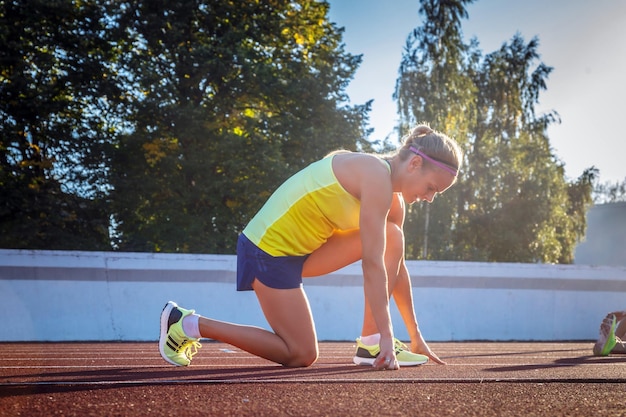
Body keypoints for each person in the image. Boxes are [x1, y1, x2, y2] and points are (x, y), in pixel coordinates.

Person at [159, 124, 462, 370]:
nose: (431, 197)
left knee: (393, 237)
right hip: (267, 251)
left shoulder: (394, 201)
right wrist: (388, 334)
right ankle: (186, 324)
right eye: (432, 188)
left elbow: (394, 266)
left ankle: (369, 345)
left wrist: (415, 336)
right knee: (300, 354)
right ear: (415, 163)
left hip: (305, 252)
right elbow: (372, 264)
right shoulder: (374, 174)